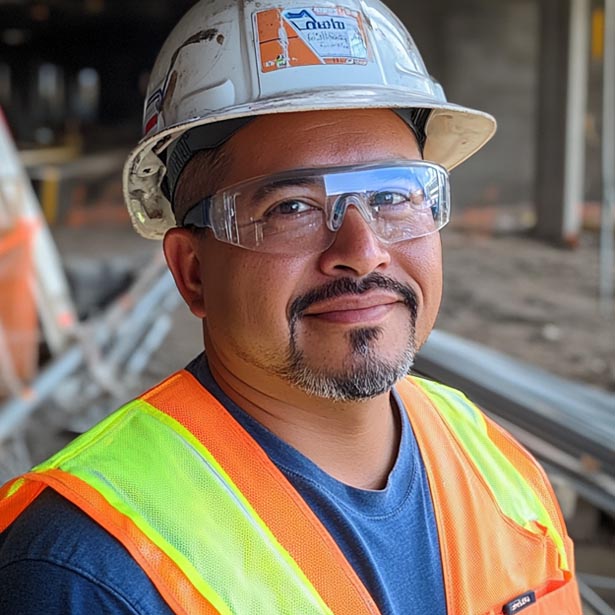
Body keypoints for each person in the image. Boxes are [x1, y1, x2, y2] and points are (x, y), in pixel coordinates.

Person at [0, 0, 583, 613]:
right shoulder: (87, 569)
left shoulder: (495, 466)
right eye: (292, 208)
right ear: (192, 273)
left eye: (392, 195)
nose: (363, 253)